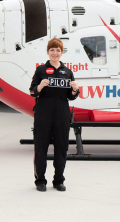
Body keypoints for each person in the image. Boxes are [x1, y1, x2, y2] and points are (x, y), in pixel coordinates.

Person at [29, 37, 79, 192]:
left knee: (61, 147)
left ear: (62, 52)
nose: (55, 53)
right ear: (47, 51)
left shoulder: (68, 72)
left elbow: (71, 96)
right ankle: (40, 180)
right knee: (41, 146)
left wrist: (75, 90)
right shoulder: (40, 70)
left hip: (62, 113)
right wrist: (40, 86)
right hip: (43, 112)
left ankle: (58, 180)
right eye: (52, 50)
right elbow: (32, 91)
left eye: (58, 50)